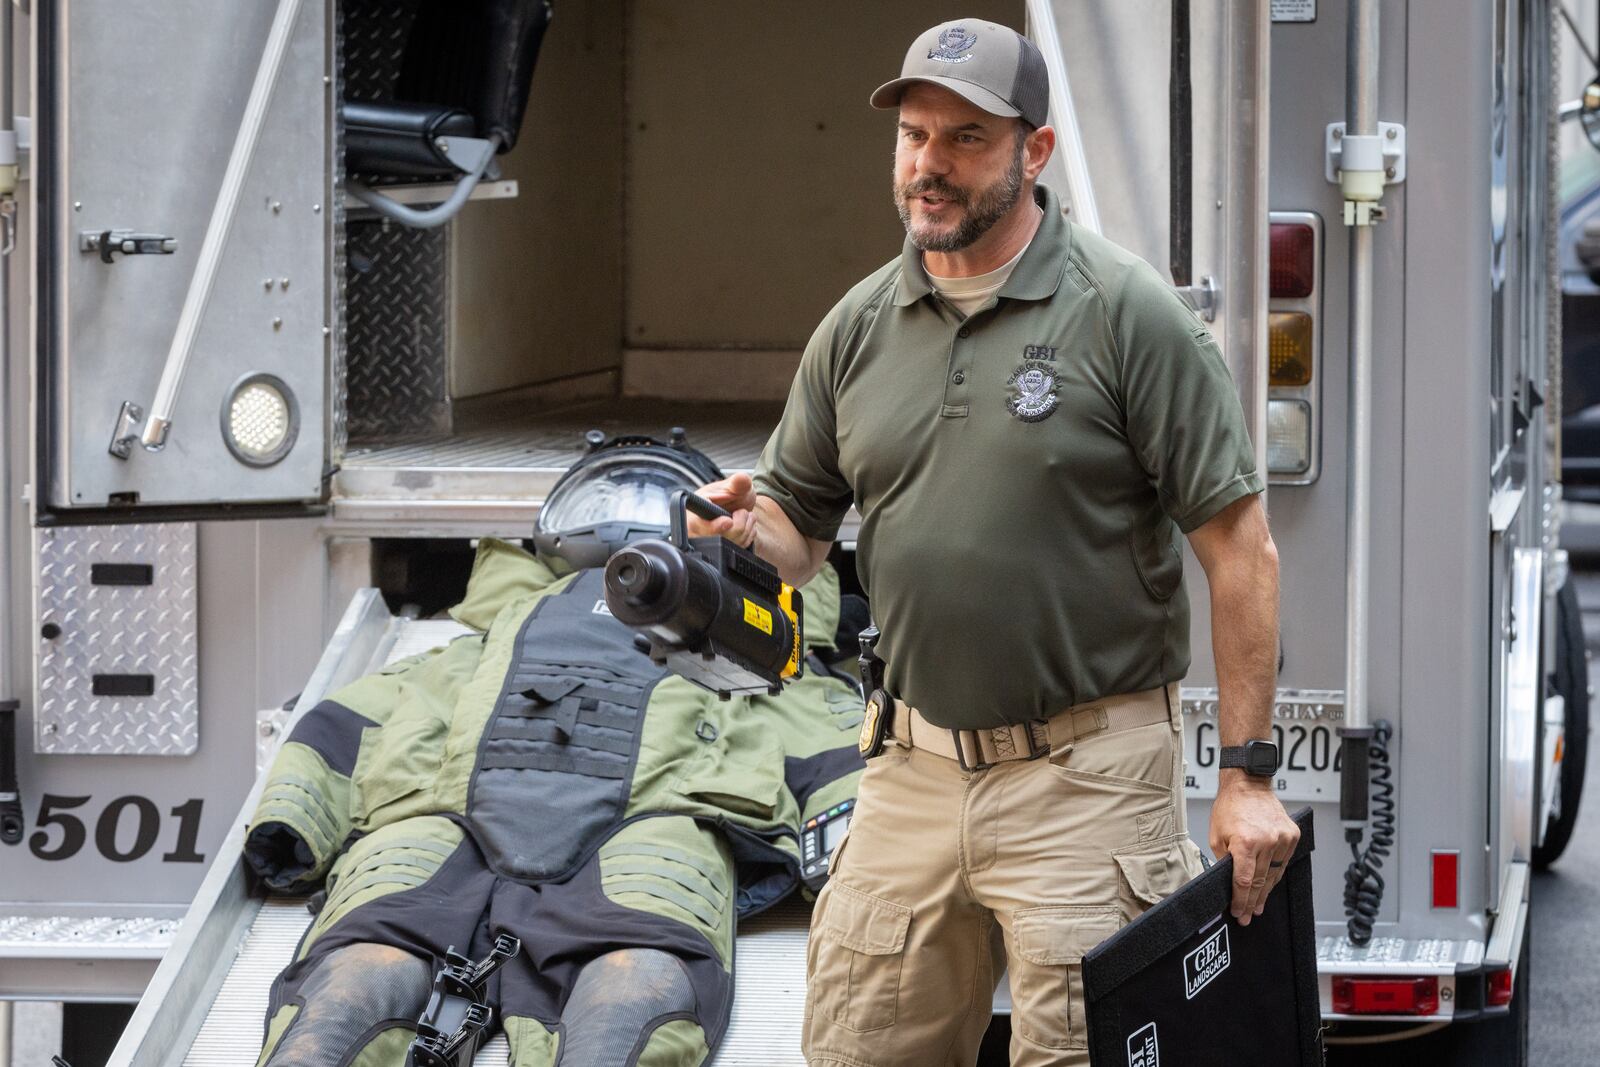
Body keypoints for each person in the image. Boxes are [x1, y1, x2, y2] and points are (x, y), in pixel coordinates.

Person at [692, 18, 1299, 1067]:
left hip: (1085, 777)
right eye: (914, 135)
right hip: (908, 770)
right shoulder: (858, 325)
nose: (928, 164)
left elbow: (1240, 551)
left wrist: (1245, 776)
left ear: (1035, 151)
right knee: (856, 1049)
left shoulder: (1127, 316)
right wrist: (751, 525)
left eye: (965, 138)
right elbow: (800, 527)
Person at [245, 431, 866, 1067]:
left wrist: (853, 863)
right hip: (445, 821)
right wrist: (294, 813)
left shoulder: (752, 646)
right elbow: (346, 722)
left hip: (649, 827)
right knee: (346, 997)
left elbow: (838, 749)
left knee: (631, 1002)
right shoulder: (496, 631)